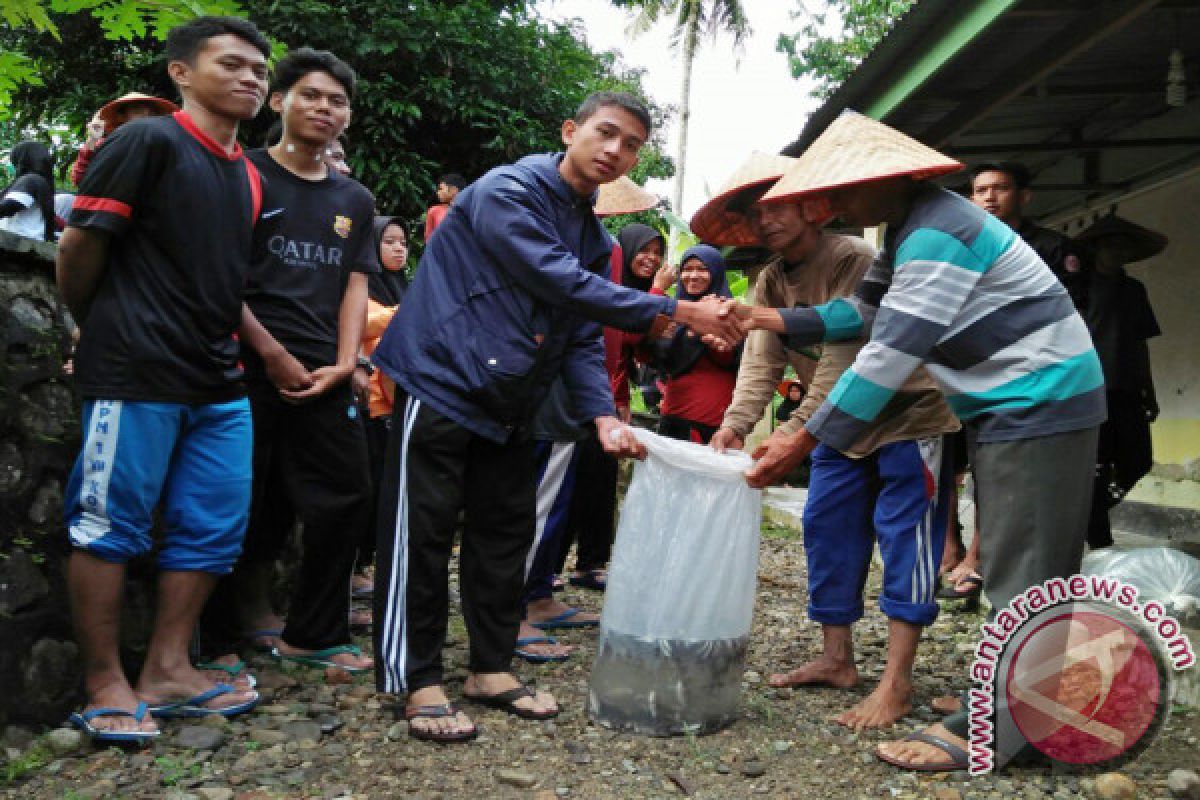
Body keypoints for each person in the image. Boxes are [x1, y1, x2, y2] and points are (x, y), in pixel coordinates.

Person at [726, 111, 1104, 770]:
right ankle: (1019, 705)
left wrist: (801, 440)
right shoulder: (912, 231)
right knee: (1023, 558)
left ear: (887, 176)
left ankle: (1005, 732)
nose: (832, 204)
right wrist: (769, 315)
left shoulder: (937, 233)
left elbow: (890, 353)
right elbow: (864, 315)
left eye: (842, 190)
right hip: (1010, 403)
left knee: (1026, 569)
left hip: (1039, 399)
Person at [370, 90, 745, 743]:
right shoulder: (507, 190)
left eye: (630, 145)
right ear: (571, 130)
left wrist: (602, 417)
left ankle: (489, 667)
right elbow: (554, 279)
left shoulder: (595, 239)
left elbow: (579, 334)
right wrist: (680, 312)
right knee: (420, 533)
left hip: (515, 401)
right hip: (439, 377)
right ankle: (416, 678)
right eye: (605, 133)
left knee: (504, 535)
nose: (614, 151)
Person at [56, 15, 271, 743]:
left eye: (259, 71)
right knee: (107, 524)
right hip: (134, 371)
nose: (251, 78)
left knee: (212, 526)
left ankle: (171, 670)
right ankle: (103, 680)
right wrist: (107, 329)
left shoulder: (246, 172)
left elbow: (221, 278)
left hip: (217, 379)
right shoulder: (147, 138)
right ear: (181, 72)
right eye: (233, 64)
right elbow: (80, 247)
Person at [696, 153, 960, 731]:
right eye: (754, 213)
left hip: (908, 413)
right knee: (827, 527)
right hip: (837, 426)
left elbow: (844, 362)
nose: (766, 221)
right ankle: (837, 658)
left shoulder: (855, 259)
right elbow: (759, 363)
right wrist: (736, 426)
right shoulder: (768, 278)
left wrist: (794, 435)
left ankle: (898, 680)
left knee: (905, 536)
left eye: (779, 206)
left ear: (814, 207)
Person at [199, 47, 377, 675]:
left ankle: (314, 632)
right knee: (234, 500)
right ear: (279, 102)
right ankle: (215, 640)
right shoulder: (238, 175)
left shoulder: (354, 198)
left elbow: (356, 283)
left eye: (337, 101)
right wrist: (268, 352)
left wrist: (346, 361)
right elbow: (219, 277)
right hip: (239, 365)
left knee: (348, 495)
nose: (324, 109)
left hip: (323, 373)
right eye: (311, 95)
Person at [1075, 213, 1165, 549]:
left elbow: (1141, 342)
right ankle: (1099, 537)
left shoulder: (1133, 290)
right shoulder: (1080, 289)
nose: (1118, 251)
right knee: (1096, 465)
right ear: (1097, 248)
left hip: (1127, 389)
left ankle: (1087, 512)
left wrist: (1149, 391)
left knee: (1138, 461)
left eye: (1123, 245)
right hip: (1088, 390)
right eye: (1111, 244)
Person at [649, 244, 741, 445]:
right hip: (673, 412)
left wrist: (704, 324)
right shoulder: (673, 311)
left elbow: (729, 357)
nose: (693, 275)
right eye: (687, 269)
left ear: (716, 273)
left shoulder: (727, 311)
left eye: (702, 269)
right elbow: (651, 351)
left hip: (710, 418)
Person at [70, 93, 177, 187]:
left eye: (151, 113)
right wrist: (92, 140)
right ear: (121, 117)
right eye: (138, 110)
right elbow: (79, 180)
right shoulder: (109, 145)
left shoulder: (164, 146)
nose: (146, 117)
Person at [1, 141, 57, 241]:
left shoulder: (31, 180)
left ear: (22, 159)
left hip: (18, 241)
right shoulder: (43, 183)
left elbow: (9, 206)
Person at [423, 171, 464, 240]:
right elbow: (428, 239)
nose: (438, 192)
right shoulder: (434, 211)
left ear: (453, 190)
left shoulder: (468, 210)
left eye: (441, 189)